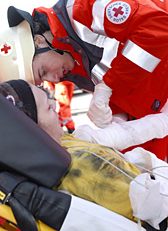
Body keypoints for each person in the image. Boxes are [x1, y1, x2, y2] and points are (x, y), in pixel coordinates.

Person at [1, 0, 168, 160]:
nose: (54, 80)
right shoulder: (70, 62)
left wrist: (108, 87)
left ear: (38, 41)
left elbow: (158, 29)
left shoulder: (87, 2)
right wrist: (116, 120)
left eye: (42, 72)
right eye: (44, 81)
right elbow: (127, 84)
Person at [1, 79, 168, 231]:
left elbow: (115, 135)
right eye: (49, 107)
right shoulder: (85, 170)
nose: (56, 104)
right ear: (33, 131)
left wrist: (158, 123)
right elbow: (155, 209)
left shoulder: (59, 148)